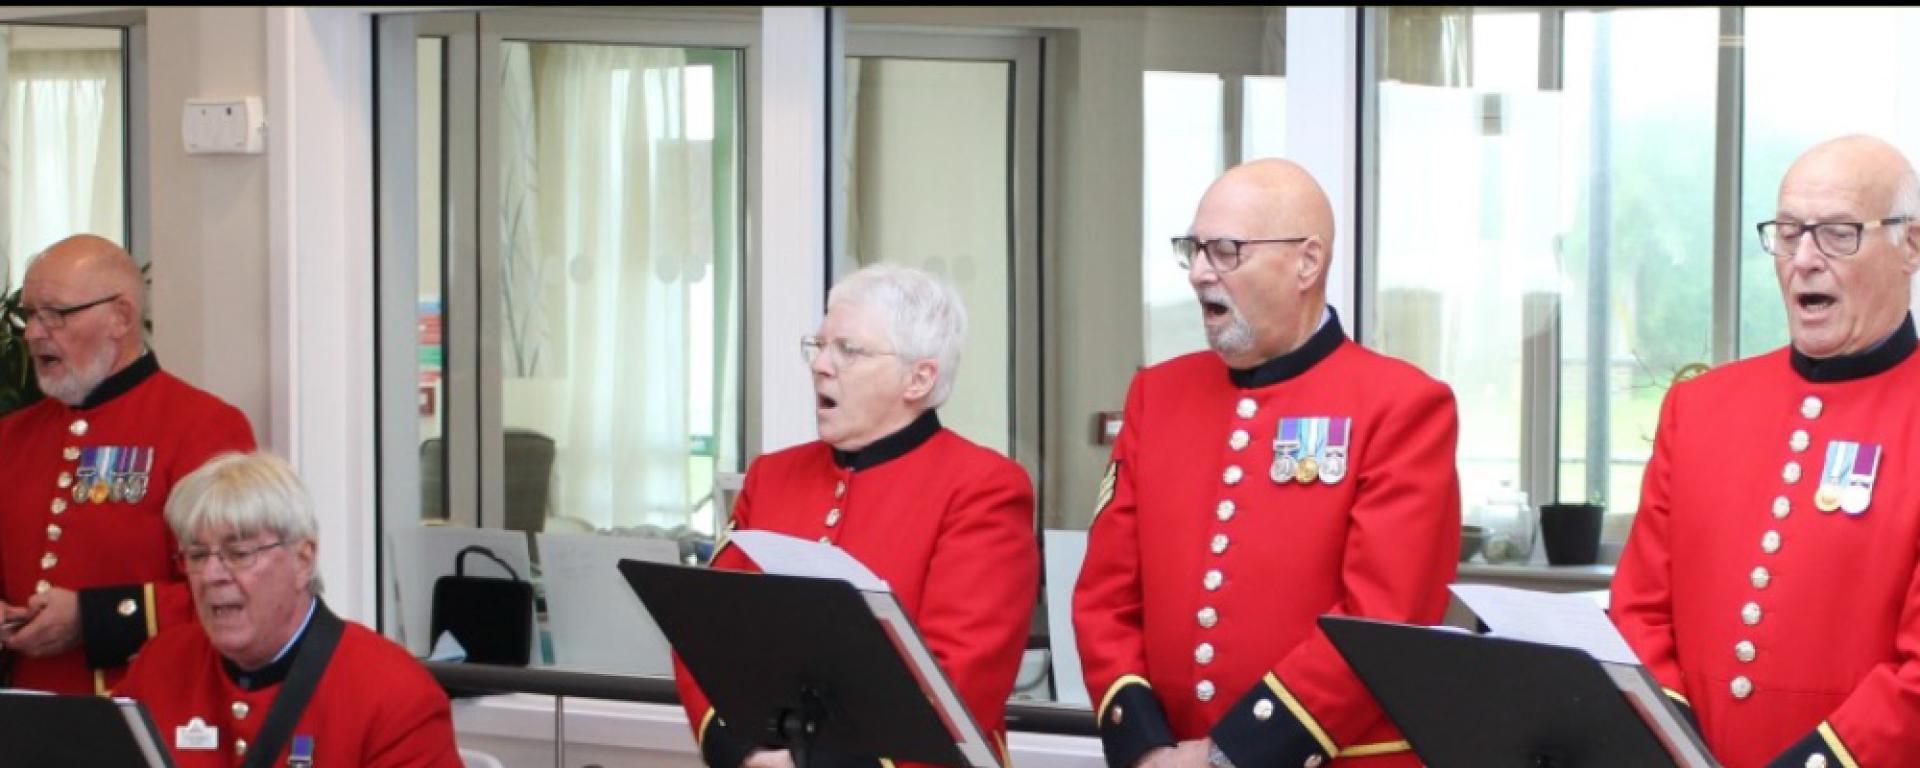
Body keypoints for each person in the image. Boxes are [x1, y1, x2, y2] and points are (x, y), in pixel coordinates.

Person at [1074, 159, 1459, 768]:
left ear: (1307, 262)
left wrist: (1230, 754)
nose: (1200, 272)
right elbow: (1106, 596)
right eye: (1194, 249)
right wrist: (1145, 746)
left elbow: (1382, 618)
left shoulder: (1402, 406)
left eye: (1226, 251)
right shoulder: (1157, 395)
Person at [1612, 134, 1920, 768]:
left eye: (1837, 233)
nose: (1803, 258)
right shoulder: (1698, 408)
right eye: (1787, 233)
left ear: (1910, 245)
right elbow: (1638, 610)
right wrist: (1676, 746)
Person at [673, 264, 1038, 768]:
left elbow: (959, 683)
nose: (821, 365)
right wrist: (741, 753)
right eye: (819, 346)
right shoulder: (770, 477)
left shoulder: (982, 487)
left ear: (919, 377)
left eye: (848, 349)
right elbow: (703, 630)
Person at [0, 234, 255, 694]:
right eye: (29, 315)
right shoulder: (11, 436)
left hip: (146, 706)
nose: (34, 333)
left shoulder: (202, 427)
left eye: (55, 314)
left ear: (120, 317)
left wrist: (93, 618)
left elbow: (238, 583)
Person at [116, 451, 461, 767]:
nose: (210, 575)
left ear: (302, 560)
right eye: (196, 555)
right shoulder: (160, 665)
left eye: (239, 554)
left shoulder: (393, 694)